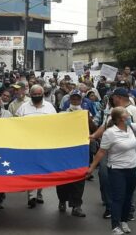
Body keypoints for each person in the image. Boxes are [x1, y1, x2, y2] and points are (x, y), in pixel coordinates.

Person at [87, 107, 136, 235]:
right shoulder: (110, 133)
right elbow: (101, 152)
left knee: (128, 197)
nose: (129, 115)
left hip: (131, 169)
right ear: (121, 118)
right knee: (118, 198)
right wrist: (91, 168)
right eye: (127, 114)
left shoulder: (130, 127)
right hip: (117, 170)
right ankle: (115, 226)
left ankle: (124, 222)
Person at [57, 90, 97, 218]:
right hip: (64, 151)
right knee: (62, 178)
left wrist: (87, 119)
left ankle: (76, 206)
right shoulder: (62, 114)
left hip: (80, 151)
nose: (75, 101)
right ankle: (62, 200)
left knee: (79, 178)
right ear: (69, 100)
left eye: (77, 99)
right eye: (73, 99)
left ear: (81, 100)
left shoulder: (85, 114)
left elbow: (93, 130)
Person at [16, 85, 56, 208]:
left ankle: (39, 193)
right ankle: (31, 196)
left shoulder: (49, 107)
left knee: (41, 169)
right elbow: (16, 123)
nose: (37, 96)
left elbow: (56, 123)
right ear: (31, 94)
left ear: (43, 94)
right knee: (31, 169)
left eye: (39, 94)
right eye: (35, 94)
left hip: (44, 144)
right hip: (28, 144)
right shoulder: (23, 107)